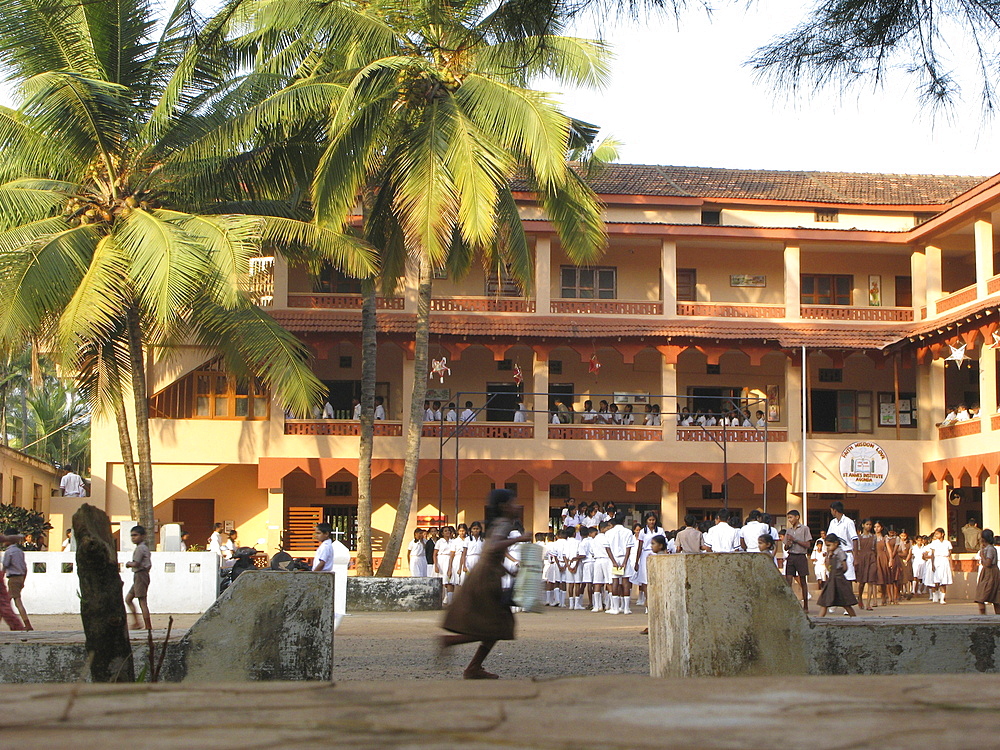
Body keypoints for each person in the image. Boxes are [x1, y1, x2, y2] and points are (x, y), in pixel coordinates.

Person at [439, 488, 531, 679]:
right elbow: (493, 549)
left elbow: (491, 555)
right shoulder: (505, 525)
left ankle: (473, 667)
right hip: (486, 579)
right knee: (497, 626)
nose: (517, 506)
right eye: (514, 502)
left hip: (486, 575)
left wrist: (509, 571)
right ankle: (451, 643)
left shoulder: (499, 523)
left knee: (498, 625)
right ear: (504, 507)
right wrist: (520, 538)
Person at [816, 534, 858, 617]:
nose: (828, 547)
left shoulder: (840, 552)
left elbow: (845, 566)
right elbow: (828, 567)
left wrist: (839, 572)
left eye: (829, 545)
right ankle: (819, 619)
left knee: (845, 603)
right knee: (824, 602)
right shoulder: (830, 554)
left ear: (835, 543)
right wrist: (828, 556)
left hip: (839, 579)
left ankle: (854, 618)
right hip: (831, 579)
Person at [604, 512, 635, 615]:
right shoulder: (628, 532)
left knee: (615, 582)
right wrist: (625, 562)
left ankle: (616, 608)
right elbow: (628, 548)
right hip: (624, 558)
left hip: (614, 559)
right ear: (623, 520)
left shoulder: (608, 532)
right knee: (626, 582)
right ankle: (626, 608)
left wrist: (613, 562)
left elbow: (607, 548)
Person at [631, 513, 665, 608]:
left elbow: (664, 543)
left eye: (653, 520)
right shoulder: (642, 531)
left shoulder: (660, 530)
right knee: (645, 580)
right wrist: (637, 561)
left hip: (657, 554)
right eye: (650, 520)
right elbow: (640, 547)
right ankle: (648, 603)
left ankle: (657, 602)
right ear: (646, 520)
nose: (651, 522)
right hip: (645, 554)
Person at [783, 509, 812, 611]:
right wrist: (788, 544)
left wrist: (795, 540)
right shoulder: (789, 530)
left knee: (802, 580)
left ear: (797, 517)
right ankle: (789, 604)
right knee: (788, 580)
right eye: (788, 518)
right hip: (791, 556)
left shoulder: (804, 529)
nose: (790, 520)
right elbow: (786, 547)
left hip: (800, 556)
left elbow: (808, 545)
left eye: (791, 517)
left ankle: (806, 605)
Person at [1, 529, 30, 630]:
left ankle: (26, 624)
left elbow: (5, 566)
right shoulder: (19, 551)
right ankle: (20, 624)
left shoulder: (9, 552)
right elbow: (25, 568)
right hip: (20, 577)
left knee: (15, 602)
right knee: (7, 602)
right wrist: (23, 580)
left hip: (13, 578)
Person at [125, 525, 152, 630]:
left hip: (141, 575)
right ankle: (136, 622)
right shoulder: (142, 548)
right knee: (128, 599)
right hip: (139, 576)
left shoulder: (140, 548)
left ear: (142, 536)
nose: (133, 538)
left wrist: (128, 563)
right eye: (132, 536)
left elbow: (136, 563)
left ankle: (147, 625)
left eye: (135, 535)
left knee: (142, 601)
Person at [827, 501, 859, 585]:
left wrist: (855, 558)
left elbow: (854, 540)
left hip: (846, 553)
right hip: (835, 555)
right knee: (835, 580)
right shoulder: (832, 523)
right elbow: (828, 538)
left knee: (847, 580)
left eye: (831, 510)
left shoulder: (848, 522)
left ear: (834, 510)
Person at [924, 527, 953, 603]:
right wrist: (933, 565)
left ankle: (942, 598)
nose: (936, 535)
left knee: (944, 580)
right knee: (936, 580)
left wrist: (950, 564)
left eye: (937, 533)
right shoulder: (934, 543)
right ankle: (935, 594)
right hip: (937, 560)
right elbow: (933, 554)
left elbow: (950, 554)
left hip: (944, 561)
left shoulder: (947, 543)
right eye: (935, 534)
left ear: (942, 534)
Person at [975, 529, 1000, 615]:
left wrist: (982, 556)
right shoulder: (986, 548)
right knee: (992, 597)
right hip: (987, 572)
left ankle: (986, 617)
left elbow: (988, 563)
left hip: (991, 573)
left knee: (983, 595)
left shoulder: (990, 549)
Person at [855, 519, 878, 610]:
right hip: (862, 559)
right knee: (862, 582)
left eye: (870, 524)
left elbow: (875, 549)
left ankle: (868, 603)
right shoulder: (858, 538)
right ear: (863, 525)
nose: (869, 526)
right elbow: (856, 550)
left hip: (871, 558)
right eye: (867, 524)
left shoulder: (874, 537)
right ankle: (860, 597)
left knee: (871, 581)